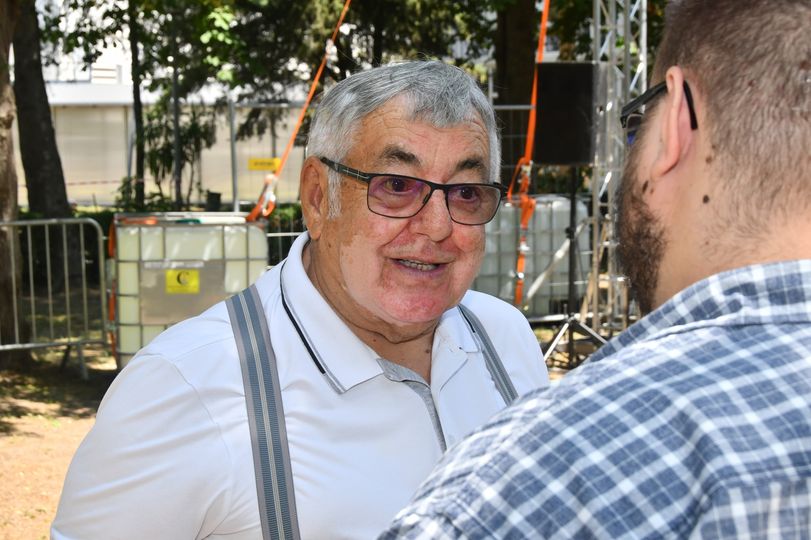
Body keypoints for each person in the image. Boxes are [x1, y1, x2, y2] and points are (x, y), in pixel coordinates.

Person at [51, 60, 549, 539]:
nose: (437, 226)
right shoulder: (189, 385)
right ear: (317, 197)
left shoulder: (503, 337)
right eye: (396, 186)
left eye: (466, 193)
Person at [381, 1, 811, 538]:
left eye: (636, 122)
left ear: (676, 123)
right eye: (396, 186)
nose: (435, 224)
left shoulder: (524, 491)